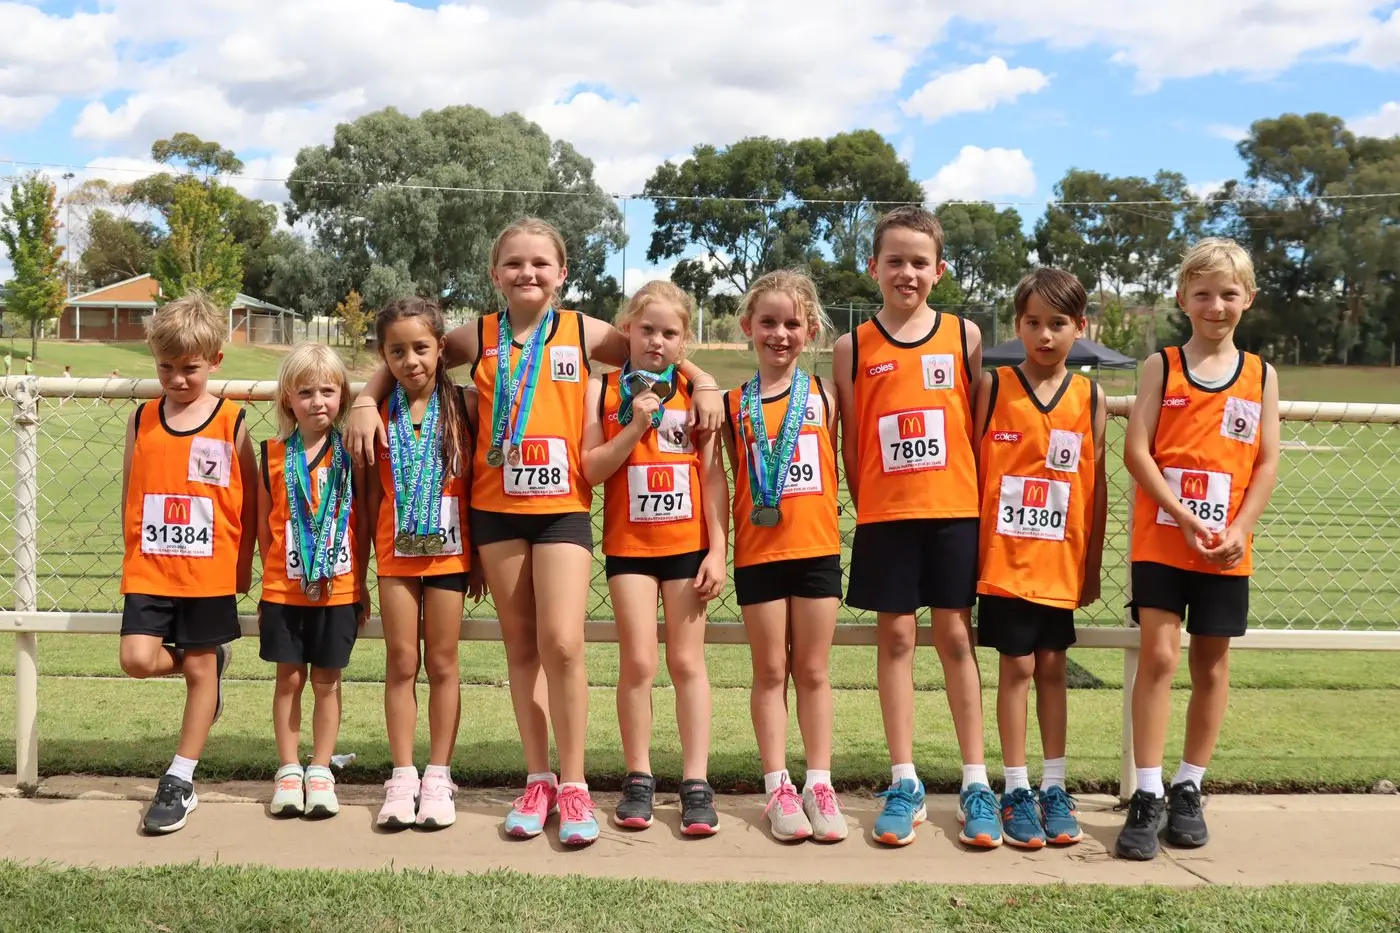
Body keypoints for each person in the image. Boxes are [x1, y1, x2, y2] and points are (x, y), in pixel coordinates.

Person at [345, 218, 724, 846]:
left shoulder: (585, 331)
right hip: (497, 512)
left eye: (541, 263)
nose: (528, 273)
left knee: (564, 644)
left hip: (562, 508)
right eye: (514, 263)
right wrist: (365, 398)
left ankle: (573, 785)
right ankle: (539, 777)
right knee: (521, 648)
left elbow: (662, 348)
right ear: (495, 275)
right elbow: (412, 346)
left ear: (562, 274)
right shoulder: (481, 335)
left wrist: (707, 383)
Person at [832, 205, 998, 848]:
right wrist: (871, 501)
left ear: (940, 270)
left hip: (955, 512)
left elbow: (975, 427)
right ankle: (905, 781)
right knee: (896, 641)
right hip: (887, 519)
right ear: (873, 267)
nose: (907, 272)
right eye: (894, 261)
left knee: (956, 639)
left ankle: (977, 782)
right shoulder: (853, 345)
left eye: (919, 262)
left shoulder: (965, 336)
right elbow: (850, 439)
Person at [1115, 238, 1280, 861]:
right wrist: (1182, 516)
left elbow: (1265, 462)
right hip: (1163, 539)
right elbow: (1139, 451)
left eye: (1229, 294)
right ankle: (1148, 792)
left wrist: (1238, 527)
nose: (1216, 305)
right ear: (1183, 298)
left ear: (1248, 300)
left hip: (1225, 548)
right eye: (1203, 293)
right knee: (1158, 656)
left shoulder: (1261, 374)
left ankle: (1190, 785)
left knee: (1211, 663)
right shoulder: (1162, 365)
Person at [581, 281, 728, 836]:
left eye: (670, 333)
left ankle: (696, 782)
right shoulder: (603, 391)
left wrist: (718, 547)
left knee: (687, 663)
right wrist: (634, 425)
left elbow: (713, 477)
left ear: (685, 340)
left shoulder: (698, 395)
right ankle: (638, 777)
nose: (657, 342)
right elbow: (592, 469)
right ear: (626, 331)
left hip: (687, 548)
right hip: (629, 548)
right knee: (639, 664)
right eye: (646, 330)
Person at [972, 269, 1107, 849]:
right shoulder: (993, 387)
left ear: (1081, 327)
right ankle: (1016, 788)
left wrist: (1092, 562)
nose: (1045, 335)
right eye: (1033, 323)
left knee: (1053, 668)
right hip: (1004, 562)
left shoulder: (1089, 395)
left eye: (1058, 324)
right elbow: (970, 471)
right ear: (1017, 325)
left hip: (1060, 564)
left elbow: (1094, 486)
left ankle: (1055, 786)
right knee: (1018, 668)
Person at [117, 291, 257, 835]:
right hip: (150, 571)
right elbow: (131, 492)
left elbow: (248, 505)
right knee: (135, 659)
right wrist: (130, 555)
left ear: (215, 362)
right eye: (166, 367)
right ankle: (213, 670)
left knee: (199, 668)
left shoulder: (232, 421)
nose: (177, 379)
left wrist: (242, 566)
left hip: (208, 573)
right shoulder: (143, 418)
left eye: (190, 368)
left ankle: (180, 776)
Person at [723, 270, 847, 843]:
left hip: (817, 549)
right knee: (771, 671)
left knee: (815, 671)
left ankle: (819, 783)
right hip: (759, 553)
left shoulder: (827, 395)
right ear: (748, 328)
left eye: (792, 323)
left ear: (812, 330)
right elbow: (716, 479)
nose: (780, 334)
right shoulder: (730, 404)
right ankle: (778, 786)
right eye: (768, 323)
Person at [366, 297, 480, 831]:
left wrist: (477, 554)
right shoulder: (375, 413)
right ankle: (403, 773)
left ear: (440, 348)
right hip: (394, 556)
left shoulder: (466, 405)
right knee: (401, 662)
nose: (410, 360)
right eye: (396, 351)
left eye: (420, 348)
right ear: (383, 356)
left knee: (442, 663)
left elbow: (479, 487)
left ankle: (438, 775)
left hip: (451, 554)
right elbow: (368, 497)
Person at [257, 343, 371, 820]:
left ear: (343, 396)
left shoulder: (353, 455)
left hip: (338, 589)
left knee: (327, 681)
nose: (317, 401)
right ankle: (288, 769)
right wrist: (267, 583)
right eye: (306, 392)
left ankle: (320, 769)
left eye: (328, 390)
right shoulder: (270, 455)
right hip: (284, 590)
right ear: (288, 399)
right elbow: (266, 525)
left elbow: (362, 523)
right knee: (289, 678)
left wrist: (362, 583)